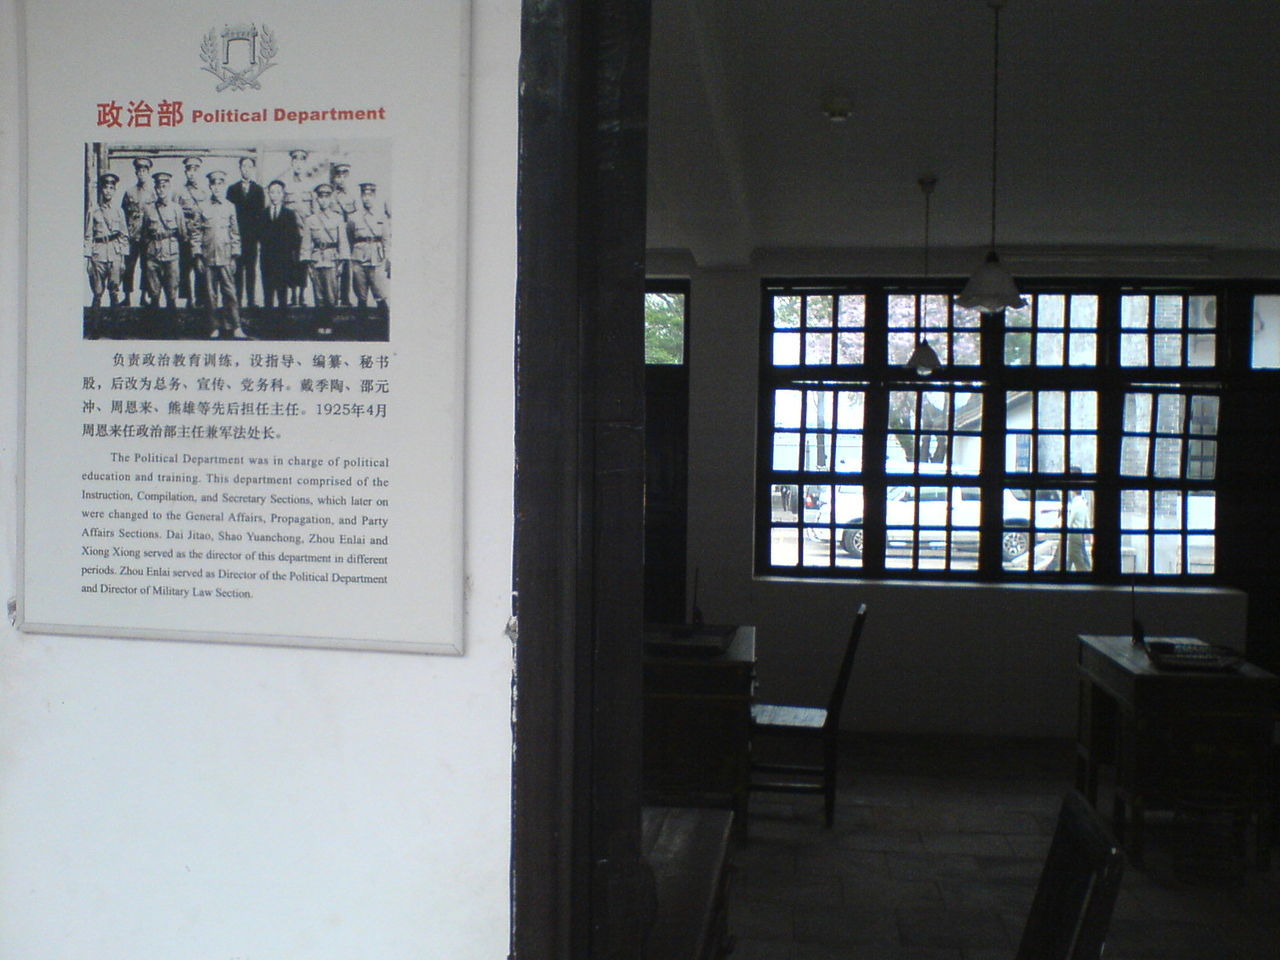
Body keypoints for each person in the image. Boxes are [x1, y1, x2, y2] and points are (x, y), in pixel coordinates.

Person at [194, 169, 244, 339]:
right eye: (214, 184)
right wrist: (198, 256)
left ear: (224, 186)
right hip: (208, 256)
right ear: (210, 186)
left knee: (230, 292)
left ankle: (235, 326)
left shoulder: (230, 207)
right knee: (210, 294)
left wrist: (235, 256)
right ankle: (213, 326)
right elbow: (196, 233)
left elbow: (235, 234)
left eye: (220, 184)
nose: (217, 187)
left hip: (226, 256)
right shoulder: (202, 207)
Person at [299, 181, 349, 335]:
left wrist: (342, 261)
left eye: (326, 197)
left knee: (331, 294)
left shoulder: (337, 218)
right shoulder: (310, 220)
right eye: (321, 197)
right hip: (316, 259)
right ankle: (321, 323)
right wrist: (307, 262)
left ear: (331, 199)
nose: (323, 200)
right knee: (318, 293)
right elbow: (306, 242)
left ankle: (330, 323)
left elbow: (343, 241)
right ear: (317, 199)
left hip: (332, 258)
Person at [137, 170, 187, 313]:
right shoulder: (149, 210)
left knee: (171, 295)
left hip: (171, 256)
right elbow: (145, 234)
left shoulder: (176, 209)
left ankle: (171, 330)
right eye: (159, 187)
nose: (161, 190)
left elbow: (183, 234)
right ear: (155, 189)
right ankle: (154, 330)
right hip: (153, 256)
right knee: (154, 295)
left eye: (164, 187)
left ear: (169, 188)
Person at [84, 172, 128, 330]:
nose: (108, 191)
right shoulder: (93, 212)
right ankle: (95, 328)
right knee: (97, 292)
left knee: (114, 291)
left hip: (115, 254)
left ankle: (116, 329)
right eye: (105, 188)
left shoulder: (119, 211)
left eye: (111, 188)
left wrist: (123, 259)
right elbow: (88, 236)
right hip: (98, 254)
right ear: (101, 190)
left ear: (114, 190)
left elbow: (124, 236)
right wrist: (88, 260)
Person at [225, 156, 265, 309]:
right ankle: (238, 301)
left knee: (251, 270)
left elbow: (260, 216)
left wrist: (258, 237)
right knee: (237, 270)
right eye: (243, 166)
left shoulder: (258, 190)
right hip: (236, 237)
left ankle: (251, 300)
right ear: (240, 169)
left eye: (249, 166)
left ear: (253, 169)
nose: (246, 169)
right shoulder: (232, 189)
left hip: (252, 238)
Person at [347, 181, 390, 317]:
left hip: (376, 259)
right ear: (361, 197)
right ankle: (362, 329)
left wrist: (387, 258)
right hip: (359, 259)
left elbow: (386, 239)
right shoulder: (353, 217)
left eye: (370, 195)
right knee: (361, 295)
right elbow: (350, 237)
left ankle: (383, 327)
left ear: (374, 197)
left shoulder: (381, 217)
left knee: (380, 294)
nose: (367, 198)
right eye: (364, 195)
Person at [259, 179, 300, 316]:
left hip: (283, 260)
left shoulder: (289, 214)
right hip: (267, 260)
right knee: (268, 294)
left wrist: (291, 258)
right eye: (272, 192)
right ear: (268, 194)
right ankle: (267, 326)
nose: (275, 195)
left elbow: (294, 238)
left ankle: (282, 327)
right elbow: (260, 236)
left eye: (278, 192)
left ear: (283, 194)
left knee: (282, 293)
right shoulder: (263, 214)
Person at [120, 157, 154, 306]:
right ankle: (127, 297)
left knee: (146, 267)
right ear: (136, 172)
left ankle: (143, 297)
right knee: (129, 267)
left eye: (144, 171)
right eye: (139, 171)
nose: (141, 174)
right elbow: (123, 214)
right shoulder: (129, 192)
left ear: (148, 172)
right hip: (132, 236)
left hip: (147, 237)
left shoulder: (153, 193)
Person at [174, 155, 208, 306]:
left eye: (195, 170)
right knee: (184, 268)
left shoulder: (205, 192)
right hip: (184, 235)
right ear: (185, 172)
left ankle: (200, 299)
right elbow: (174, 212)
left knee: (200, 267)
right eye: (189, 170)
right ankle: (187, 299)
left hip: (200, 236)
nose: (192, 173)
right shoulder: (179, 192)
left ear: (198, 172)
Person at [330, 162, 358, 304]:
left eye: (344, 176)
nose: (341, 180)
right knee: (336, 263)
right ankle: (334, 296)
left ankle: (345, 296)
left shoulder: (354, 196)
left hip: (349, 232)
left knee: (347, 263)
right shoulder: (332, 196)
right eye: (338, 176)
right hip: (336, 232)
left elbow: (357, 215)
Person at [1066, 488, 1092, 571]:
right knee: (1071, 556)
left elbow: (1071, 519)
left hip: (1073, 534)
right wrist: (1088, 534)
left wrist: (1065, 529)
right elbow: (1086, 521)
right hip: (1080, 534)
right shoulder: (1084, 504)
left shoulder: (1075, 503)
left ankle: (1084, 574)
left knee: (1076, 558)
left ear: (1073, 492)